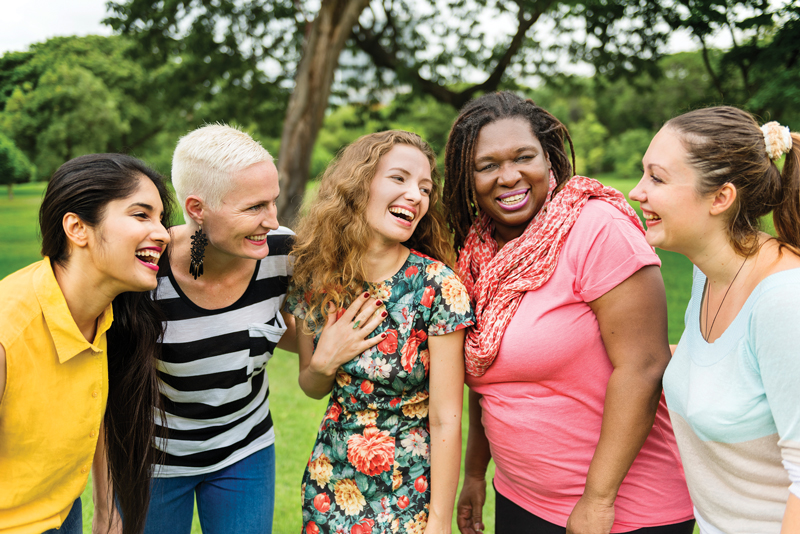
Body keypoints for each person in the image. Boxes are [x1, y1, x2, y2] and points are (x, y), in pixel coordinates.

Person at [443, 92, 694, 534]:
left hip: (622, 510)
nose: (509, 176)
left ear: (550, 159)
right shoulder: (476, 255)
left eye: (524, 157)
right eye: (487, 165)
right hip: (519, 499)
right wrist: (475, 474)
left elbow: (645, 365)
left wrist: (597, 501)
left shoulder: (595, 227)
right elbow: (490, 381)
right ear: (467, 177)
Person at [285, 130, 473, 534]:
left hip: (408, 491)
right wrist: (325, 360)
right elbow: (312, 385)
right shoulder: (315, 276)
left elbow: (445, 419)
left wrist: (438, 521)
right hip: (330, 482)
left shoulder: (437, 287)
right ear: (359, 184)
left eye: (425, 188)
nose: (416, 195)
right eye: (400, 178)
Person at [629, 107, 800, 533]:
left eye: (657, 178)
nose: (636, 192)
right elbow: (722, 369)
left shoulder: (783, 303)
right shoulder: (709, 271)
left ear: (721, 198)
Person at [0, 154, 173, 534]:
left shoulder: (108, 316)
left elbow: (98, 417)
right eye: (142, 215)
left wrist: (109, 516)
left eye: (161, 218)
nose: (163, 233)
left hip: (63, 514)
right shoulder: (7, 331)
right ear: (77, 229)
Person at [139, 124, 296, 534]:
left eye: (273, 202)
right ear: (197, 208)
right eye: (255, 207)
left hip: (245, 451)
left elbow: (286, 330)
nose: (272, 221)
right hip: (154, 461)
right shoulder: (144, 271)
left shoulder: (282, 253)